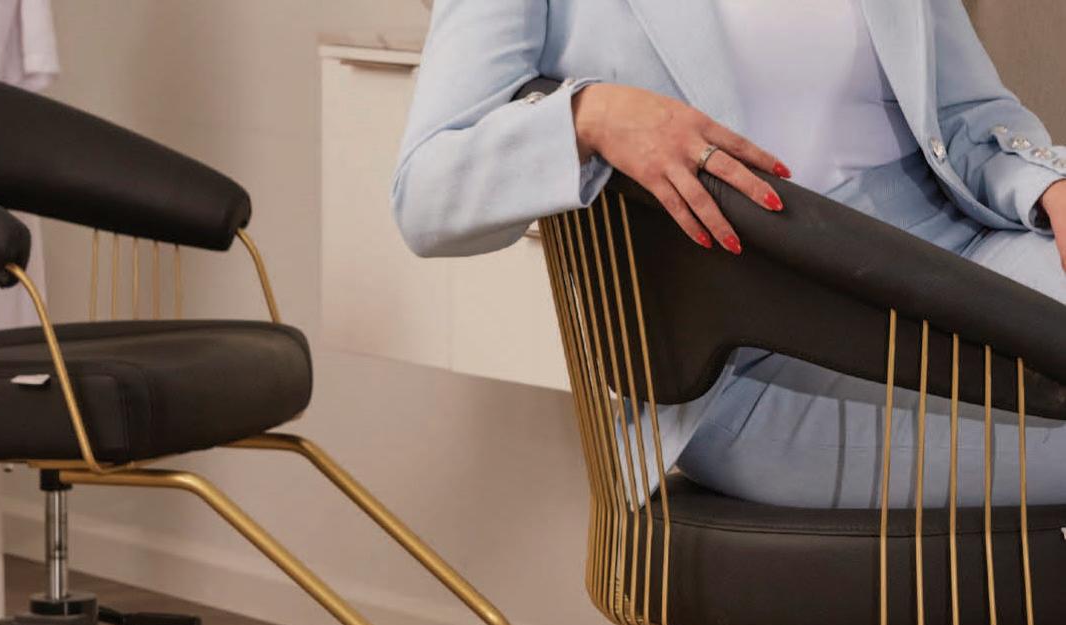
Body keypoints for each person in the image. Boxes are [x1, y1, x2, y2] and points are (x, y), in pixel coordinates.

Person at [392, 0, 1066, 510]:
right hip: (755, 351)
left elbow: (966, 114)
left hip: (959, 262)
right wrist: (589, 116)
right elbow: (426, 192)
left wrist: (1051, 187)